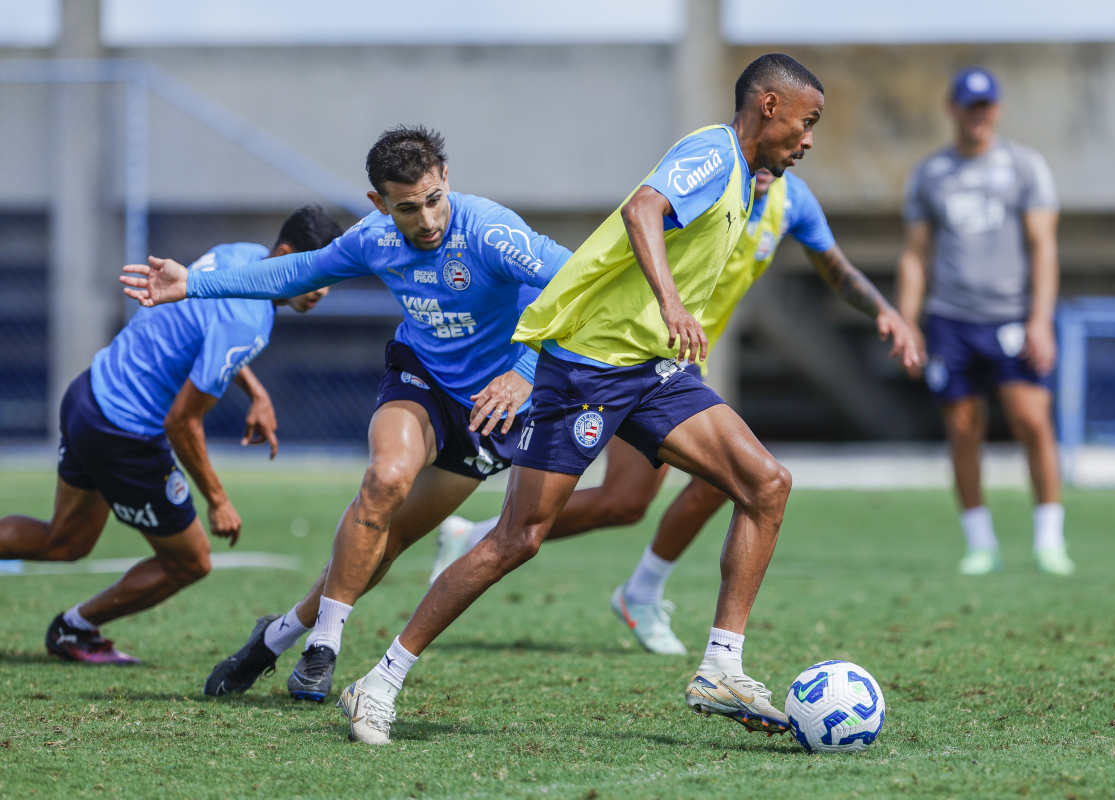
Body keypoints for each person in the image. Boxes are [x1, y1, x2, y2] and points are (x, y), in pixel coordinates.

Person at [313, 53, 840, 746]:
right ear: (769, 105)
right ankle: (379, 682)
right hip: (586, 368)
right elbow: (643, 209)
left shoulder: (750, 177)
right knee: (517, 539)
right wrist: (672, 301)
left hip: (651, 366)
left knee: (765, 483)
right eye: (807, 122)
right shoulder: (711, 154)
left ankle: (722, 665)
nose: (809, 138)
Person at [121, 126, 572, 701]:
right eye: (408, 208)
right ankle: (324, 645)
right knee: (384, 482)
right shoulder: (376, 238)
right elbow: (296, 272)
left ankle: (277, 636)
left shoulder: (490, 231)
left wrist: (525, 370)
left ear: (447, 182)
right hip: (423, 379)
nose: (428, 220)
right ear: (379, 204)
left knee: (389, 541)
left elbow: (575, 281)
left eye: (434, 200)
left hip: (491, 407)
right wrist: (196, 284)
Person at [431, 166, 921, 655]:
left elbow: (835, 266)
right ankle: (486, 542)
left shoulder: (792, 201)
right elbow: (624, 238)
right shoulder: (706, 177)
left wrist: (884, 311)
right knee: (630, 502)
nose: (787, 154)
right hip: (631, 354)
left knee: (713, 485)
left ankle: (637, 590)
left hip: (683, 363)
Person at [0, 206, 342, 664]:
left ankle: (73, 629)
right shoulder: (251, 320)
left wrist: (256, 392)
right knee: (191, 561)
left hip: (89, 395)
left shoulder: (238, 255)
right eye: (312, 272)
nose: (322, 288)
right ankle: (74, 629)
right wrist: (218, 500)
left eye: (329, 275)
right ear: (284, 255)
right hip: (125, 433)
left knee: (64, 541)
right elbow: (181, 423)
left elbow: (200, 332)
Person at [896, 67, 1073, 577]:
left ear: (995, 110)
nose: (977, 116)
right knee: (962, 427)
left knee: (1032, 420)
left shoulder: (1024, 167)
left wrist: (1040, 319)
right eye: (968, 106)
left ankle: (1049, 539)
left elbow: (1043, 249)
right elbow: (915, 255)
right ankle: (980, 542)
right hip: (951, 317)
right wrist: (908, 320)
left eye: (985, 106)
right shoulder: (930, 174)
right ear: (953, 109)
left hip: (1012, 315)